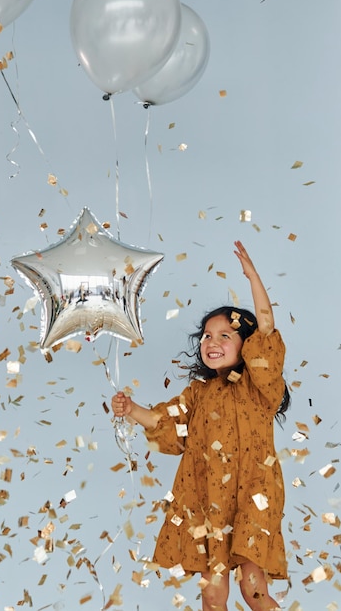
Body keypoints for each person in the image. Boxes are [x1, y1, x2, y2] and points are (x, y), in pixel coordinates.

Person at [111, 241, 290, 611]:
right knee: (212, 594)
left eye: (226, 335)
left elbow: (267, 329)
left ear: (248, 345)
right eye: (208, 336)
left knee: (253, 588)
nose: (213, 342)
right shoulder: (198, 393)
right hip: (211, 501)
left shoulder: (260, 386)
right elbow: (166, 424)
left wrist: (253, 278)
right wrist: (131, 409)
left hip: (254, 495)